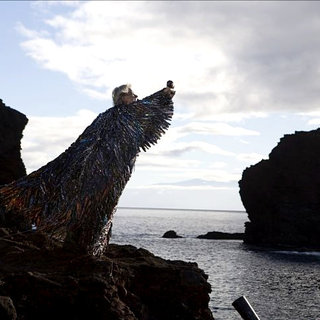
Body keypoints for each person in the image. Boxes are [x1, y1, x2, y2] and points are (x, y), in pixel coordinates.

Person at [0, 81, 175, 256]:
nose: (136, 97)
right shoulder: (117, 115)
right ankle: (84, 247)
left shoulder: (118, 115)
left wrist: (165, 95)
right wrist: (164, 94)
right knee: (94, 205)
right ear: (122, 98)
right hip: (102, 170)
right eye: (133, 94)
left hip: (114, 171)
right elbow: (146, 106)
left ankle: (87, 247)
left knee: (101, 207)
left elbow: (147, 109)